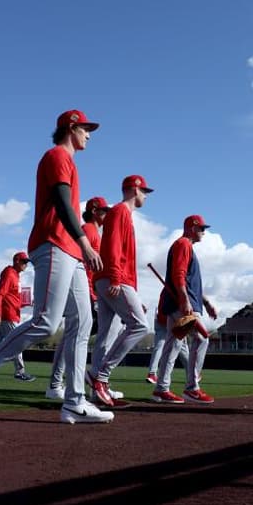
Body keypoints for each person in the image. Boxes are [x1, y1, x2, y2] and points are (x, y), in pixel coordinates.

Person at [0, 109, 113, 425]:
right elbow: (63, 204)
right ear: (71, 127)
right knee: (46, 322)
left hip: (71, 251)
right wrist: (84, 242)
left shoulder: (70, 161)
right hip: (53, 243)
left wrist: (80, 248)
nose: (89, 134)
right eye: (85, 128)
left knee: (83, 322)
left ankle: (74, 402)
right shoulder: (57, 155)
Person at [87, 175, 154, 408]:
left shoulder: (122, 213)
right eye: (144, 191)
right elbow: (114, 247)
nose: (146, 196)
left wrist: (133, 291)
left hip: (110, 279)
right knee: (140, 325)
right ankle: (100, 376)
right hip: (113, 278)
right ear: (135, 190)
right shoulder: (120, 211)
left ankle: (97, 389)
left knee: (106, 335)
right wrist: (117, 279)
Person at [45, 196, 110, 400]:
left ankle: (62, 384)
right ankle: (56, 384)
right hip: (83, 289)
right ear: (94, 211)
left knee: (75, 336)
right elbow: (81, 265)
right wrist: (91, 293)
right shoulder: (88, 230)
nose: (106, 215)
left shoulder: (93, 232)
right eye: (104, 211)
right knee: (71, 335)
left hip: (88, 290)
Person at [152, 214, 217, 404]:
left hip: (181, 302)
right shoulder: (183, 244)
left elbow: (190, 282)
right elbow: (178, 275)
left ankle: (161, 389)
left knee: (173, 346)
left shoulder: (185, 246)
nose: (204, 232)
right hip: (183, 304)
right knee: (202, 338)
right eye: (202, 228)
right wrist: (185, 300)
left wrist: (206, 303)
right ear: (193, 227)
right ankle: (192, 388)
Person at [0, 251, 35, 381]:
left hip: (11, 315)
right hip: (8, 316)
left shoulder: (16, 276)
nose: (26, 265)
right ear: (17, 261)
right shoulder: (9, 273)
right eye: (24, 262)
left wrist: (27, 302)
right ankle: (20, 372)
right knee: (17, 343)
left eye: (27, 262)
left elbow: (13, 299)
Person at [145, 297, 190, 385]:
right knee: (182, 348)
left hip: (161, 318)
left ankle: (152, 373)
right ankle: (192, 374)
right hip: (173, 318)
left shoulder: (166, 292)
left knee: (159, 347)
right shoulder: (181, 291)